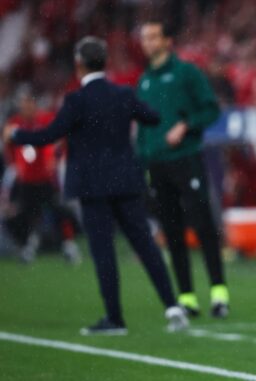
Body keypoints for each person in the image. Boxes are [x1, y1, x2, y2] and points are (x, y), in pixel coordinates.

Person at [3, 36, 188, 335]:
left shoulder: (76, 100)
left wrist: (17, 136)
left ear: (79, 64)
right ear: (104, 62)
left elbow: (49, 134)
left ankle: (115, 319)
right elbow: (153, 117)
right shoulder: (122, 94)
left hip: (92, 186)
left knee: (104, 252)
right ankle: (172, 306)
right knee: (145, 245)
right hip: (126, 181)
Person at [137, 20, 229, 318]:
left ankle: (219, 293)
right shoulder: (145, 80)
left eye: (153, 37)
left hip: (186, 158)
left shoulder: (186, 73)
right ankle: (187, 296)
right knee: (172, 231)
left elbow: (211, 108)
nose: (148, 43)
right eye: (144, 38)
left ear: (167, 40)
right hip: (157, 164)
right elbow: (142, 128)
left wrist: (186, 125)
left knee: (203, 225)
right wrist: (142, 159)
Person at [3, 87, 81, 264]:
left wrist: (57, 159)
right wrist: (15, 164)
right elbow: (8, 147)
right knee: (28, 213)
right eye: (23, 104)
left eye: (28, 103)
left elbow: (62, 141)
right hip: (27, 179)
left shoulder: (46, 119)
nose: (25, 107)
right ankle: (29, 246)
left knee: (59, 210)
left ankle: (69, 245)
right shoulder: (15, 123)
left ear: (34, 103)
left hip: (48, 177)